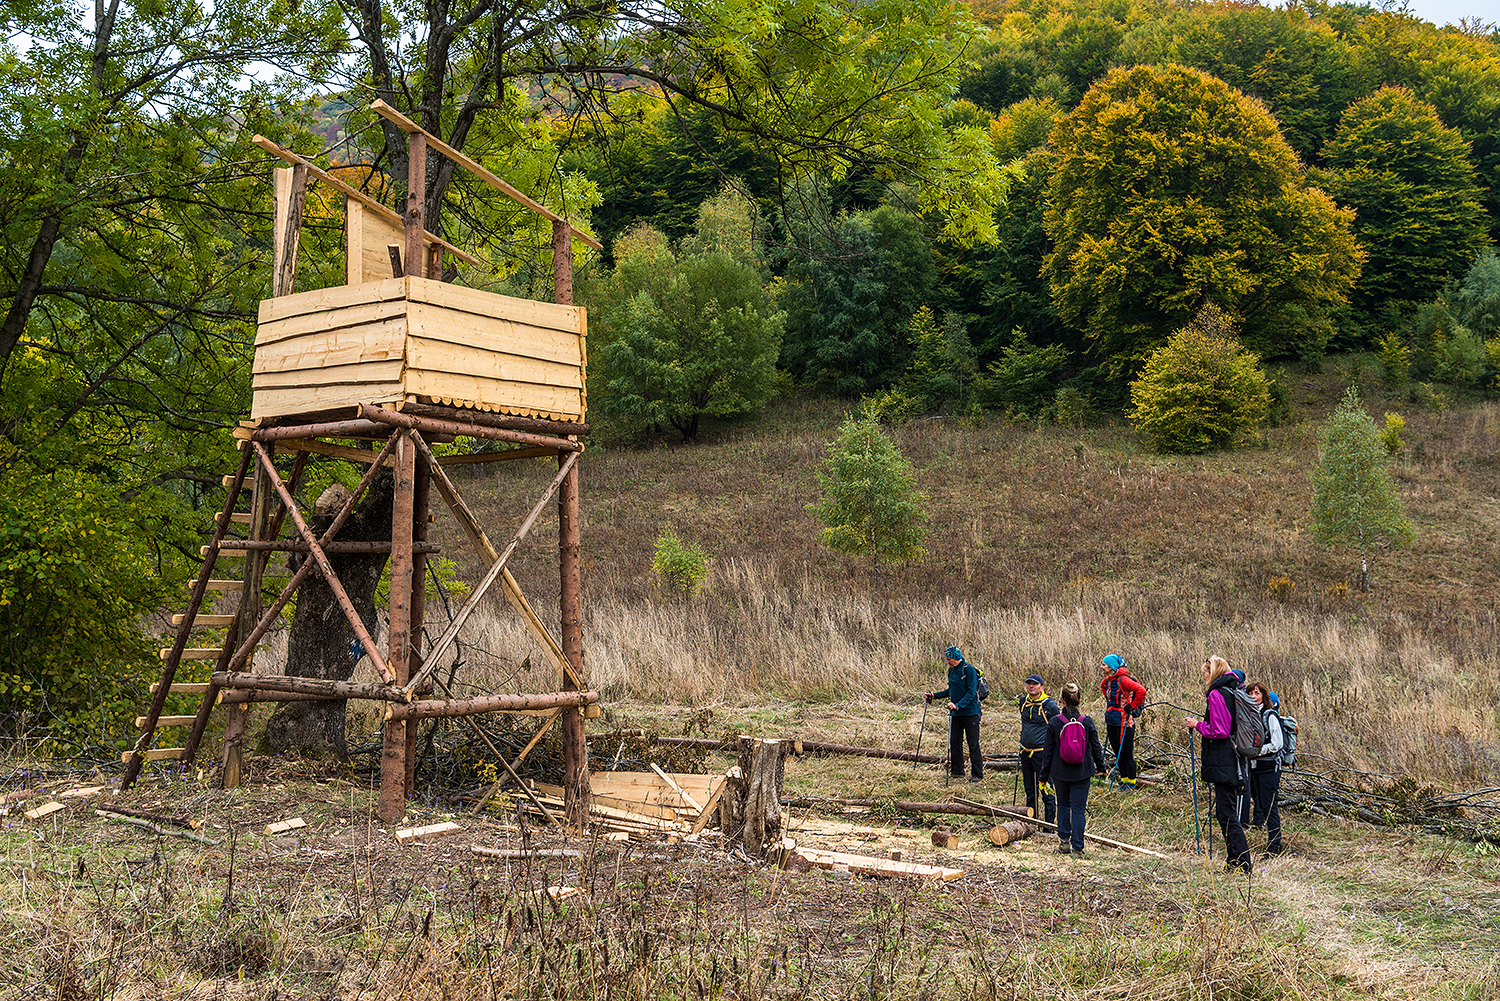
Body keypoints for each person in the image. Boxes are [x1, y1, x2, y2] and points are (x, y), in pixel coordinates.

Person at [1184, 656, 1252, 874]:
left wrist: (1198, 725)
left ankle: (1242, 863)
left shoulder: (1216, 693)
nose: (1203, 676)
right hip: (1233, 758)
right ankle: (1234, 862)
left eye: (1205, 672)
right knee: (1225, 812)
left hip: (1224, 760)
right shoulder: (1232, 690)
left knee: (1227, 814)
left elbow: (1220, 730)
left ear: (1212, 672)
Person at [1039, 682, 1107, 854]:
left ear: (1062, 700)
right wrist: (1101, 767)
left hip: (1059, 772)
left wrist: (1043, 776)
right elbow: (1096, 748)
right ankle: (1078, 847)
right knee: (1078, 809)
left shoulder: (1055, 722)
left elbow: (1047, 752)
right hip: (1082, 771)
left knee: (1062, 804)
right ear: (1079, 700)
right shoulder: (1087, 721)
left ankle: (1064, 843)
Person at [926, 646, 983, 782]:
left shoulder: (969, 670)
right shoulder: (951, 670)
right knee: (955, 742)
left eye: (949, 659)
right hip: (956, 714)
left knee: (973, 743)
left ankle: (977, 774)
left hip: (971, 713)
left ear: (956, 658)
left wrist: (958, 705)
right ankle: (957, 771)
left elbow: (971, 692)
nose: (947, 662)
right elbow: (951, 691)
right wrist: (934, 696)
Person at [1241, 682, 1285, 857]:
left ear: (1264, 696)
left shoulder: (1269, 715)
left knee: (1270, 807)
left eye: (1257, 693)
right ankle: (1271, 842)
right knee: (1260, 804)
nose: (1253, 697)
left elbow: (1278, 743)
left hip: (1269, 769)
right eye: (1250, 693)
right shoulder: (1249, 715)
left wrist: (1258, 751)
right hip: (1254, 768)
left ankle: (1275, 846)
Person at [1099, 654, 1146, 790]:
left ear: (1111, 666)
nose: (1101, 667)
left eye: (1104, 664)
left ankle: (1131, 783)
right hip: (1111, 720)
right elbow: (1105, 690)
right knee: (1117, 753)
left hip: (1125, 722)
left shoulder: (1124, 679)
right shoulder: (1107, 681)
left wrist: (1132, 706)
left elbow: (1141, 691)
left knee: (1127, 754)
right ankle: (1124, 781)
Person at [1017, 674, 1059, 823]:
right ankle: (1031, 823)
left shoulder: (1050, 706)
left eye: (1034, 684)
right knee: (1030, 791)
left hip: (1042, 754)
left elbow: (1058, 727)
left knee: (1046, 791)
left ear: (1042, 687)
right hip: (1025, 752)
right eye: (1029, 684)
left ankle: (1048, 826)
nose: (1031, 686)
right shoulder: (1023, 702)